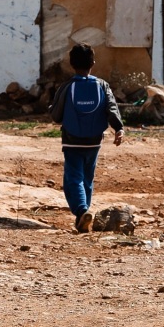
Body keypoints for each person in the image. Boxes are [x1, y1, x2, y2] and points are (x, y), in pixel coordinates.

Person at [48, 43, 124, 233]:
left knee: (74, 177)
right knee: (87, 178)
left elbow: (56, 116)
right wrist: (119, 128)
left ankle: (82, 211)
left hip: (72, 140)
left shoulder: (66, 87)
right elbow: (112, 108)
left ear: (71, 64)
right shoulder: (102, 85)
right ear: (93, 63)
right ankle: (83, 216)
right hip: (94, 140)